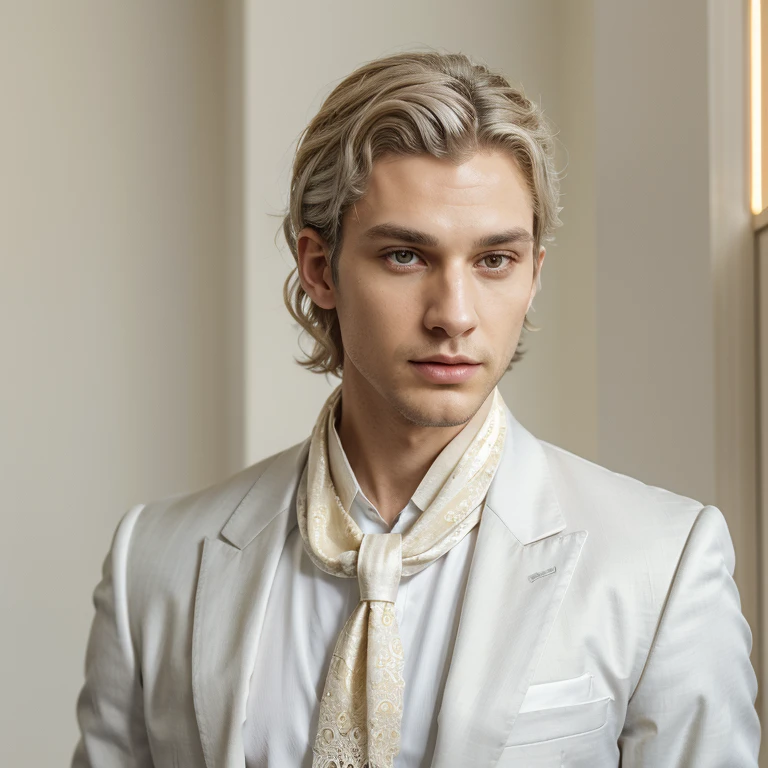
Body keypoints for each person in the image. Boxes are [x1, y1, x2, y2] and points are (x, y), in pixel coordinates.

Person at [71, 50, 761, 768]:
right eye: (406, 256)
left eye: (495, 260)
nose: (454, 316)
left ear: (532, 278)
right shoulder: (154, 561)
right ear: (319, 268)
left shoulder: (660, 560)